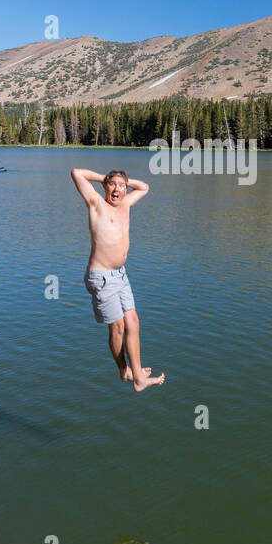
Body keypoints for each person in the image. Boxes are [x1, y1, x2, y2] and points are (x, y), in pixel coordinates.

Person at [69, 167, 165, 391]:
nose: (117, 189)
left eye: (121, 186)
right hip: (101, 276)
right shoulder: (96, 203)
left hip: (121, 275)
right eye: (112, 185)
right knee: (119, 327)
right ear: (104, 187)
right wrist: (106, 178)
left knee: (133, 322)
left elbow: (144, 187)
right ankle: (124, 370)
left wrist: (123, 182)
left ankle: (138, 376)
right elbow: (76, 173)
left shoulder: (126, 204)